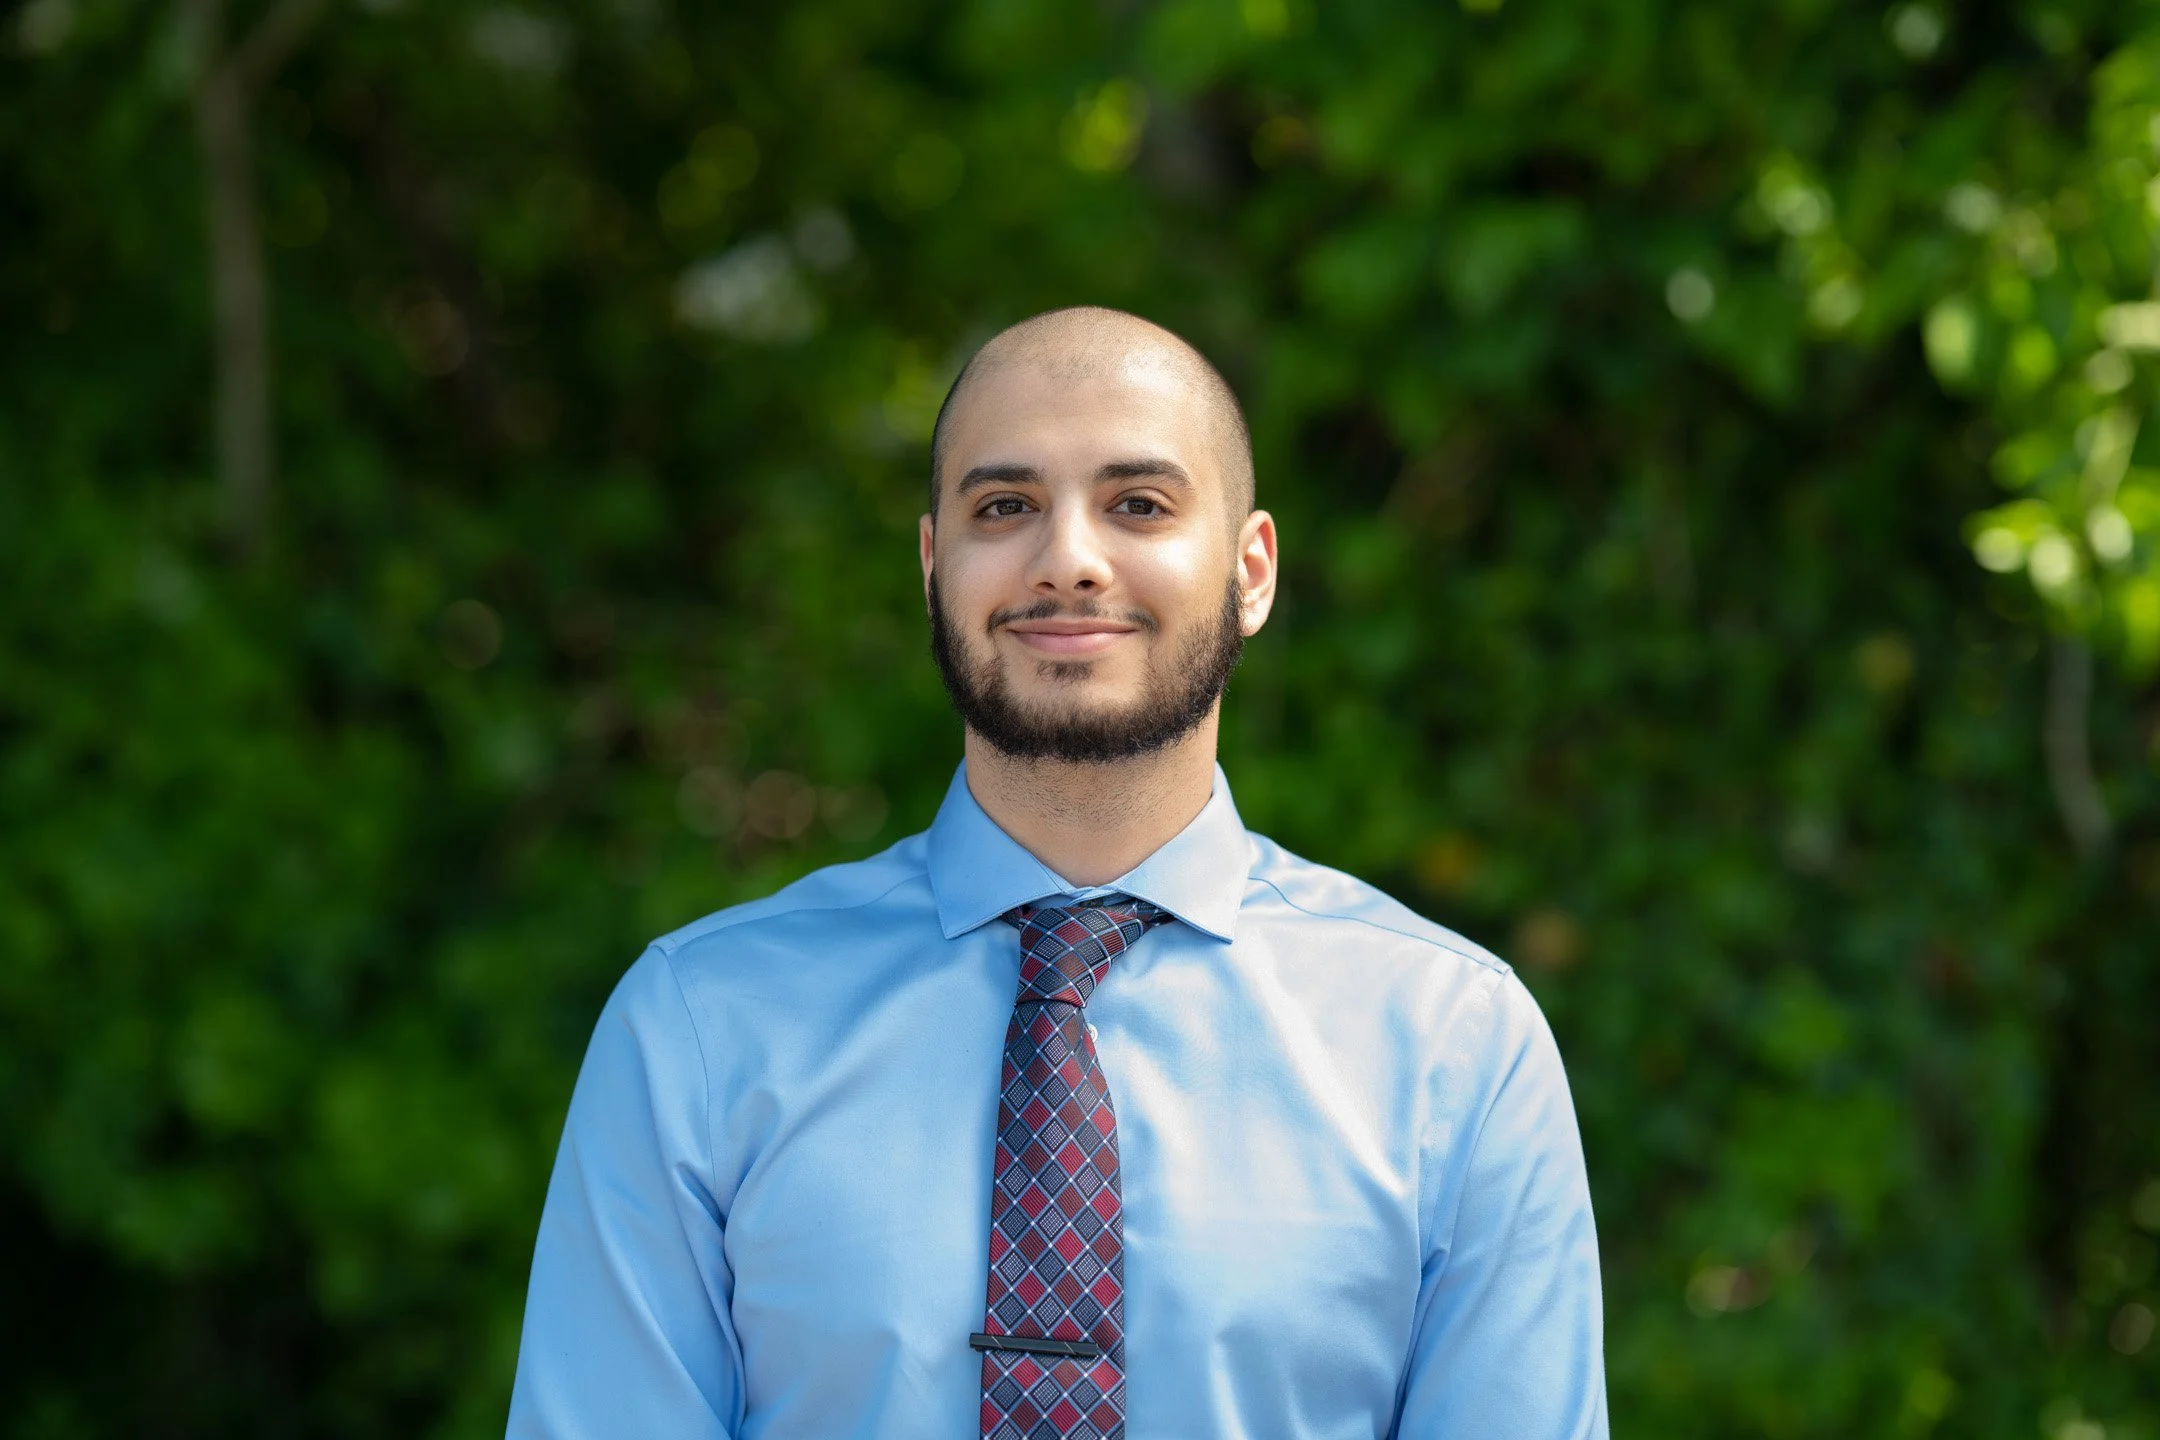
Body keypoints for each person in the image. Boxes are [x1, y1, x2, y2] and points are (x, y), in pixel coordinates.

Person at [505, 306, 1607, 1439]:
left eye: (1140, 504)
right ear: (933, 567)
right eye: (1004, 507)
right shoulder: (700, 1029)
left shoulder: (1454, 1045)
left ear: (1252, 571)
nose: (1069, 560)